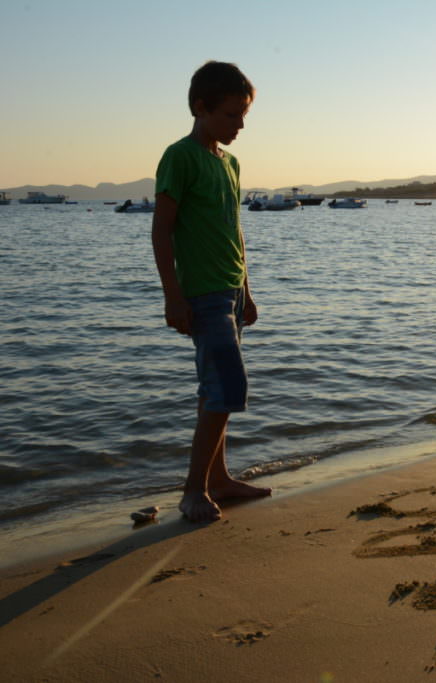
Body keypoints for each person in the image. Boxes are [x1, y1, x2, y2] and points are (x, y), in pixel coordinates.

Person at [151, 61, 270, 522]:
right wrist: (173, 296)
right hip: (202, 294)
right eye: (231, 115)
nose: (239, 125)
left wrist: (248, 291)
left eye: (243, 116)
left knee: (214, 391)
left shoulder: (231, 163)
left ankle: (218, 479)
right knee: (228, 386)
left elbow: (234, 232)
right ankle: (192, 491)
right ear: (201, 108)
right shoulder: (179, 156)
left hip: (232, 293)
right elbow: (163, 231)